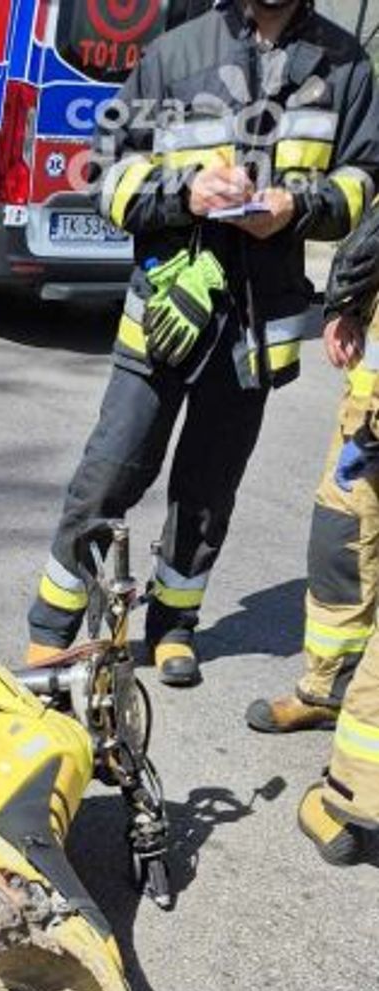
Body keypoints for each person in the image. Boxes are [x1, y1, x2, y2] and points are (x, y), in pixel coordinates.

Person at [25, 0, 379, 690]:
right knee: (111, 473)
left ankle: (174, 626)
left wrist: (296, 207)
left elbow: (365, 182)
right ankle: (51, 630)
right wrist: (183, 193)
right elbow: (103, 172)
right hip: (166, 313)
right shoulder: (176, 52)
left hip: (254, 328)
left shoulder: (345, 65)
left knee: (210, 489)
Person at [272, 204, 379, 861]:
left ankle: (348, 792)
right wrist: (347, 299)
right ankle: (326, 689)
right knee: (341, 541)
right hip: (366, 422)